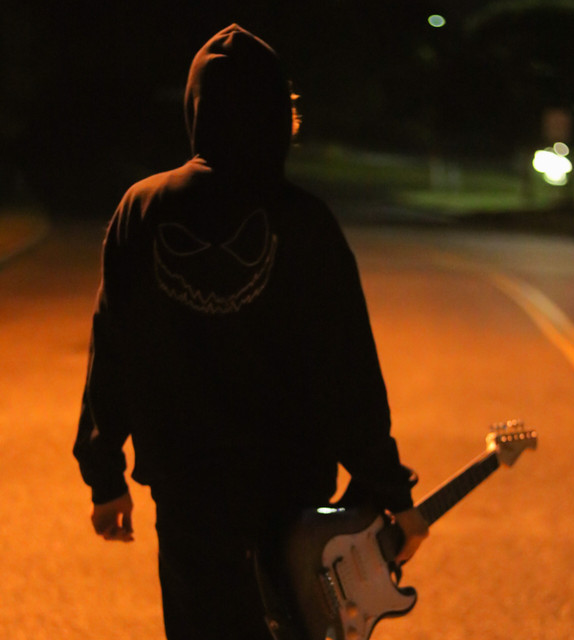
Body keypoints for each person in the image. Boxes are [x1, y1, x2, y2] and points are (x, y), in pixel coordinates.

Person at [73, 23, 428, 640]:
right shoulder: (306, 224)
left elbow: (115, 350)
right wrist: (388, 488)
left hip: (188, 495)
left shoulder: (144, 209)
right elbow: (348, 371)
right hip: (293, 504)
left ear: (197, 110)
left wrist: (105, 476)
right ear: (278, 117)